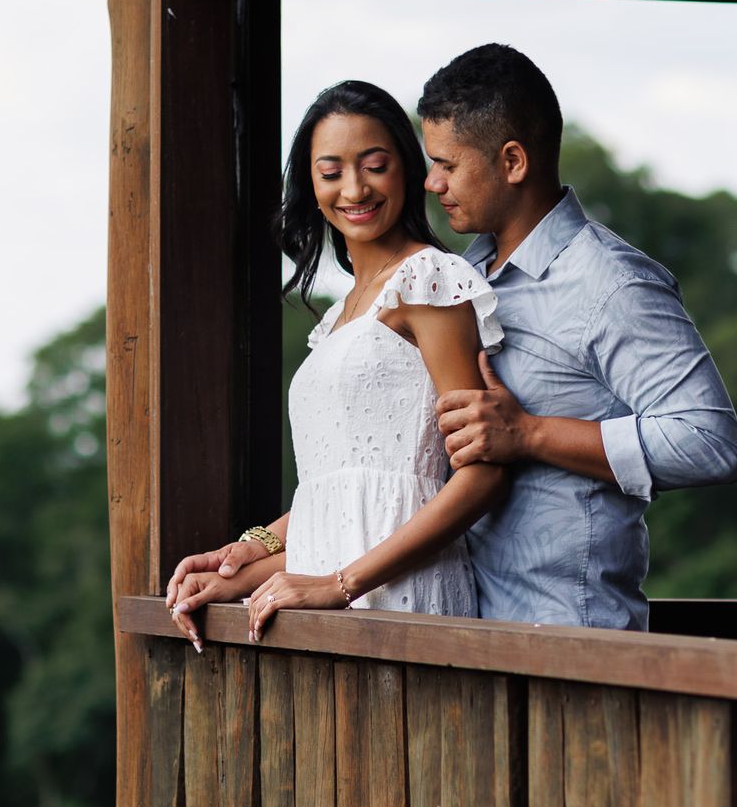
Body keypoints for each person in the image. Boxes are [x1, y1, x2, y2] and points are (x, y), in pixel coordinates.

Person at [166, 80, 508, 648]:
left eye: (374, 165)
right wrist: (242, 564)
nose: (355, 188)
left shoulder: (428, 281)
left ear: (407, 168)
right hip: (326, 601)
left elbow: (483, 474)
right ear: (312, 185)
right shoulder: (339, 316)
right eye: (331, 172)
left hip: (400, 598)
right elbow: (340, 495)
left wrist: (339, 584)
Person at [420, 43, 737, 630]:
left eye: (446, 164)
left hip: (574, 646)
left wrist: (530, 434)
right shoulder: (458, 280)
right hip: (467, 635)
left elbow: (710, 441)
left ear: (513, 161)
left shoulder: (611, 284)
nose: (430, 182)